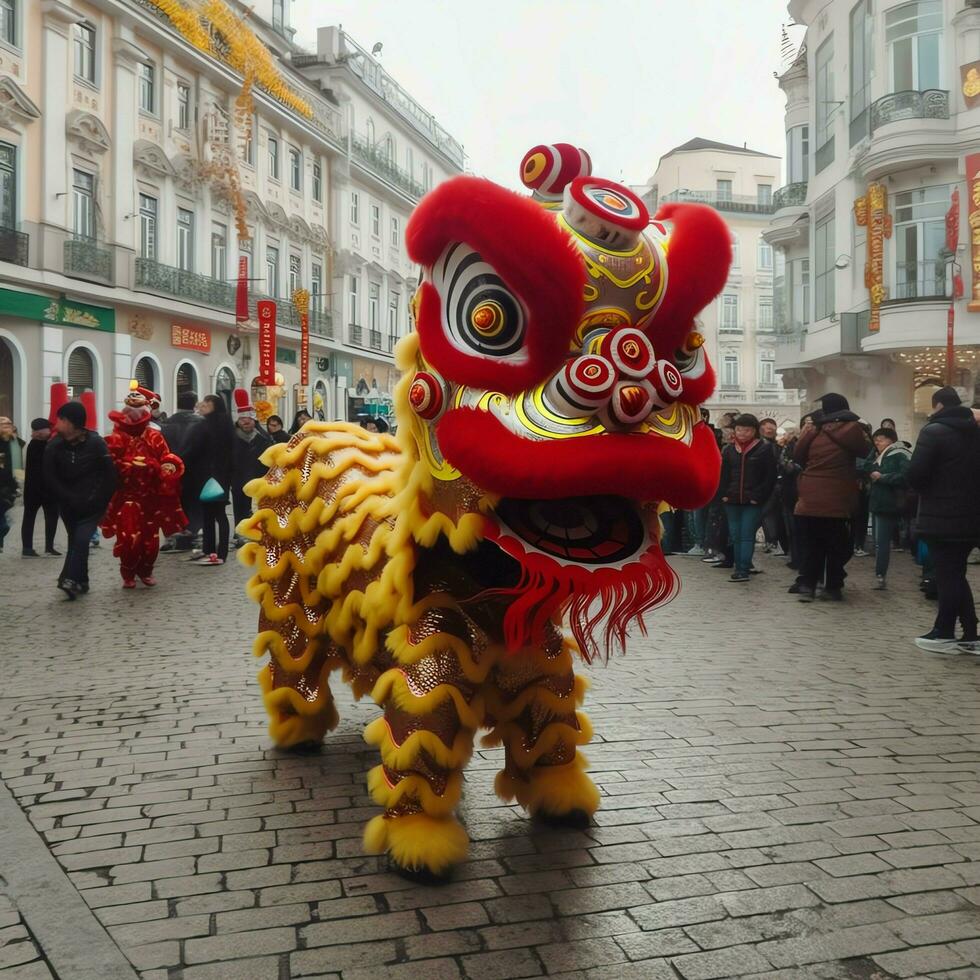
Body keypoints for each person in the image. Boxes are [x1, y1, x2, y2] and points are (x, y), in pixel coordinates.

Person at [906, 387, 980, 654]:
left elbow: (915, 474)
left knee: (948, 575)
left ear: (937, 405)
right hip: (971, 516)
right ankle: (966, 631)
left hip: (941, 516)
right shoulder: (975, 431)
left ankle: (947, 632)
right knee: (955, 574)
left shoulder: (933, 431)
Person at [101, 383, 186, 588]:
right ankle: (128, 573)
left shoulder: (155, 437)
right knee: (129, 538)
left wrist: (158, 467)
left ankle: (146, 571)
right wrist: (125, 466)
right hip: (127, 498)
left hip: (150, 497)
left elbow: (167, 461)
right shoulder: (116, 438)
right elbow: (108, 465)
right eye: (131, 414)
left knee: (150, 541)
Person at [793, 393, 872, 602]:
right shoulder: (853, 428)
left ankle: (808, 585)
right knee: (838, 544)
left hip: (810, 494)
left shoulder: (812, 428)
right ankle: (833, 586)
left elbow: (797, 455)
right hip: (839, 495)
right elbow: (866, 451)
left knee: (812, 542)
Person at [43, 401, 117, 598]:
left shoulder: (96, 442)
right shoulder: (54, 445)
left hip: (92, 504)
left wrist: (101, 500)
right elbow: (49, 476)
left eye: (59, 419)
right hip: (68, 505)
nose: (56, 423)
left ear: (69, 422)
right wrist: (65, 497)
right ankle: (81, 581)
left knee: (82, 539)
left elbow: (110, 474)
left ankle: (68, 579)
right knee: (76, 541)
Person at [718, 414, 777, 582]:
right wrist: (724, 495)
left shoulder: (764, 449)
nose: (742, 433)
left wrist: (758, 496)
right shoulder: (729, 450)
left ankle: (742, 569)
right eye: (739, 429)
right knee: (735, 535)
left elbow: (770, 477)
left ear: (754, 431)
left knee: (746, 535)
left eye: (747, 430)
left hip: (753, 501)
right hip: (732, 500)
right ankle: (739, 566)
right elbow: (723, 476)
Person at [182, 394, 235, 566]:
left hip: (209, 476)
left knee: (213, 514)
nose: (203, 405)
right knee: (215, 514)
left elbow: (193, 449)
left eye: (207, 403)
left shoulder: (207, 425)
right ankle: (216, 552)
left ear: (215, 405)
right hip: (220, 476)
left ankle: (214, 552)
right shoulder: (225, 423)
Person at [860, 427, 911, 591]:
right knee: (878, 542)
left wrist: (883, 477)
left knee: (881, 542)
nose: (877, 443)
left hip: (889, 503)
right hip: (879, 503)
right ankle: (880, 575)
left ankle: (880, 575)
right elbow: (866, 466)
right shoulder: (880, 454)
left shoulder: (900, 453)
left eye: (880, 439)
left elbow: (906, 476)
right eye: (875, 440)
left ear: (891, 440)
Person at [160, 390, 204, 552]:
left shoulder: (167, 423)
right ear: (194, 404)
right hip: (196, 470)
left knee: (176, 502)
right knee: (194, 503)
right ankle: (191, 533)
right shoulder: (201, 423)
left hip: (172, 469)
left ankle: (176, 534)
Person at [231, 389, 271, 542]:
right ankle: (240, 532)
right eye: (242, 420)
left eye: (248, 419)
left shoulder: (263, 437)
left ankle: (256, 532)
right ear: (238, 422)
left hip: (258, 479)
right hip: (238, 479)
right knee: (239, 507)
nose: (246, 422)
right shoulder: (232, 437)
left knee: (255, 508)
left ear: (254, 420)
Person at [21, 418, 60, 557]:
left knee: (52, 517)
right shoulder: (36, 445)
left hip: (47, 489)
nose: (50, 431)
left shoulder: (47, 444)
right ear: (40, 432)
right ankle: (27, 548)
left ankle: (49, 546)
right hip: (35, 489)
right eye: (47, 429)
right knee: (29, 517)